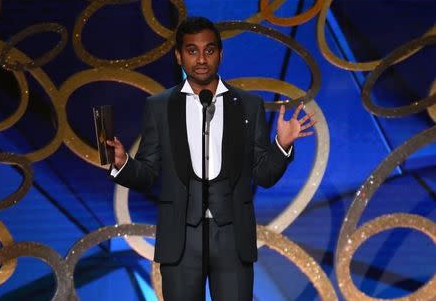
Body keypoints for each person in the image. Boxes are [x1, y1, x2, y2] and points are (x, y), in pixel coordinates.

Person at [107, 16, 316, 301]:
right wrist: (122, 164)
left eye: (209, 50)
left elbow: (264, 176)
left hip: (232, 237)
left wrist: (281, 144)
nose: (201, 59)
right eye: (192, 51)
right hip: (180, 239)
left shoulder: (247, 105)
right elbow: (147, 174)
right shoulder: (159, 107)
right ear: (179, 56)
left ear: (220, 54)